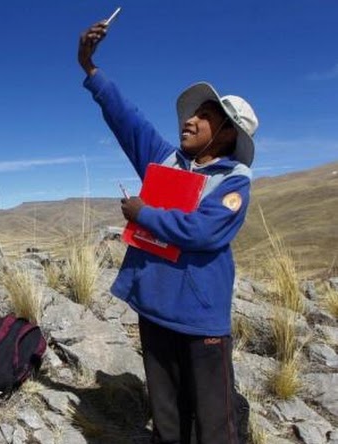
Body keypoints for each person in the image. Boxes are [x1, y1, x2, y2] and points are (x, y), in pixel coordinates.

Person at [78, 20, 258, 444]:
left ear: (228, 133)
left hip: (200, 321)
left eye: (205, 116)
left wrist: (144, 214)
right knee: (167, 419)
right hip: (155, 311)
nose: (190, 121)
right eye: (192, 114)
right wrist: (90, 68)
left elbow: (203, 232)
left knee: (214, 425)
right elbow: (128, 121)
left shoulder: (234, 181)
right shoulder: (165, 162)